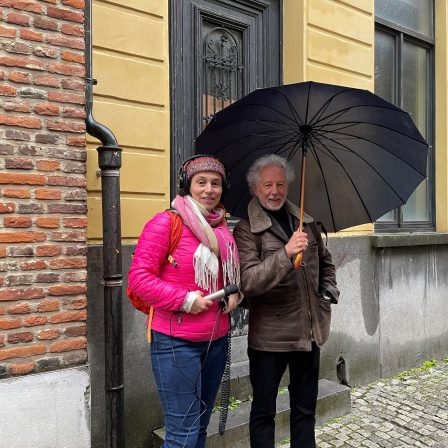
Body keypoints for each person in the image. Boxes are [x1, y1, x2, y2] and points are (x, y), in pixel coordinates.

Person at [128, 155, 242, 448]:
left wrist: (235, 293)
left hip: (215, 340)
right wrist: (185, 299)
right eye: (201, 182)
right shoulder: (166, 223)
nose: (209, 189)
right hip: (176, 344)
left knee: (200, 426)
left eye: (215, 183)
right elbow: (139, 280)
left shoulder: (222, 228)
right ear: (187, 185)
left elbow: (225, 276)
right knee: (183, 435)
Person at [232, 154, 339, 448]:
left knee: (305, 412)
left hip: (309, 334)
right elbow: (249, 282)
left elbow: (326, 264)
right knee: (264, 413)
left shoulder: (307, 221)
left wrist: (328, 292)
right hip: (270, 339)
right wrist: (285, 253)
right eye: (267, 185)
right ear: (255, 188)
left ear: (289, 185)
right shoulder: (246, 229)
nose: (274, 191)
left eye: (280, 184)